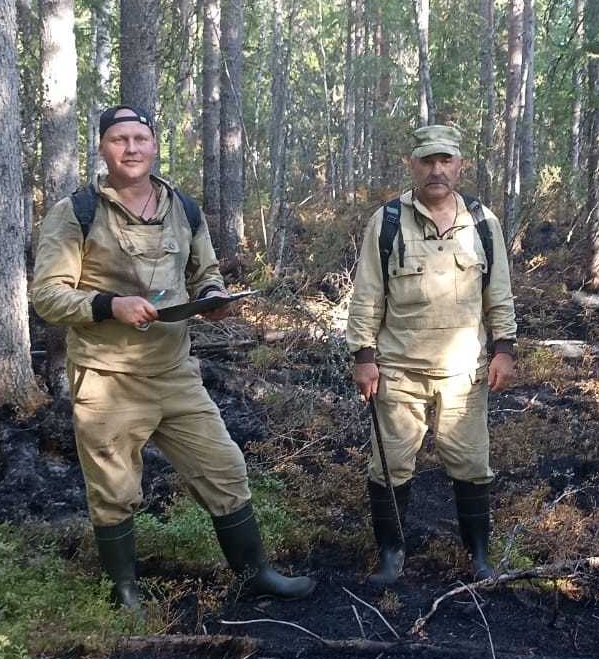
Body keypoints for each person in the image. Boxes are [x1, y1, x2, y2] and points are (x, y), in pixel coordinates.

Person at [31, 105, 314, 614]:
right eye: (120, 139)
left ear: (154, 145)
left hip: (176, 373)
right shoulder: (75, 213)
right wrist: (108, 305)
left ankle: (257, 575)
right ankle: (126, 595)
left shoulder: (182, 207)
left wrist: (214, 299)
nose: (132, 148)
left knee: (225, 469)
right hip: (107, 377)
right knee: (114, 491)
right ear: (102, 148)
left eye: (141, 138)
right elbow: (48, 296)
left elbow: (204, 273)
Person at [346, 124, 517, 586]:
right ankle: (391, 556)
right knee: (388, 466)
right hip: (398, 369)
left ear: (459, 165)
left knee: (472, 465)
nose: (436, 170)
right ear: (413, 164)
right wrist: (364, 356)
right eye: (427, 161)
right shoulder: (385, 222)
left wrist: (504, 349)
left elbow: (497, 293)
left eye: (445, 161)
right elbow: (367, 295)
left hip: (465, 372)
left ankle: (478, 557)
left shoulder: (483, 223)